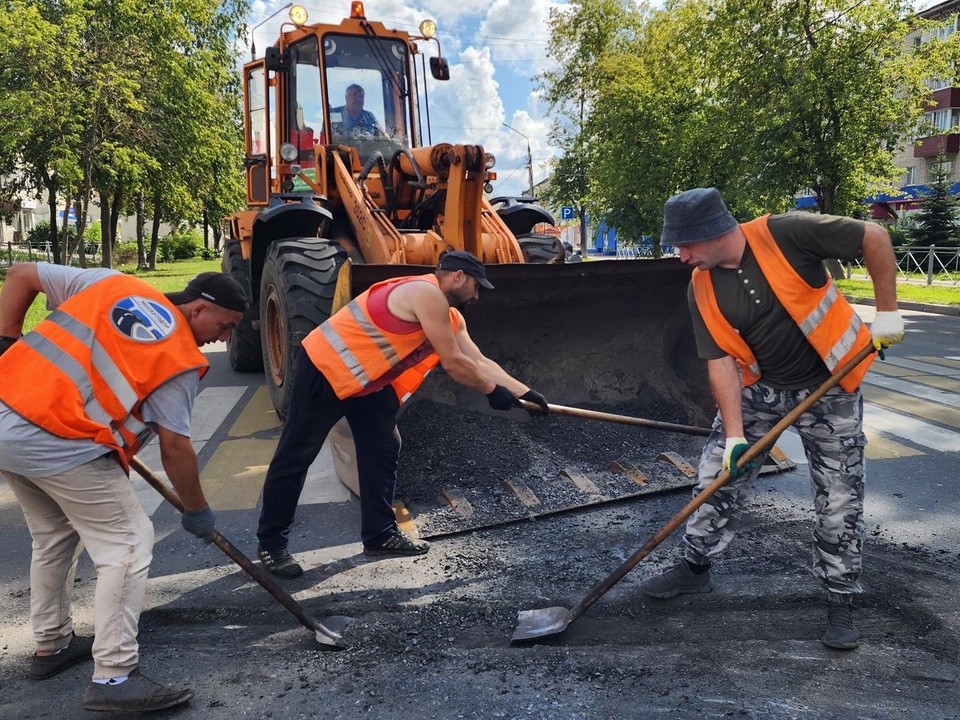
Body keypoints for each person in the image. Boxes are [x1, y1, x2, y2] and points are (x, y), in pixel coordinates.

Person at [640, 187, 904, 650]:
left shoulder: (787, 233)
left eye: (685, 245)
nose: (680, 256)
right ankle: (695, 568)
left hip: (831, 386)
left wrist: (886, 312)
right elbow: (720, 361)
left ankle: (839, 597)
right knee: (715, 476)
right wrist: (736, 437)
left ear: (714, 232)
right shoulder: (700, 286)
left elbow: (874, 236)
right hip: (759, 391)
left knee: (839, 497)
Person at [0, 265, 245, 712]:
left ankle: (51, 644)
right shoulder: (179, 360)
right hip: (58, 439)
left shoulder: (110, 284)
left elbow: (20, 275)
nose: (225, 340)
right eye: (225, 326)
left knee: (55, 535)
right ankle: (114, 676)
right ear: (199, 308)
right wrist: (197, 511)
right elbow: (175, 448)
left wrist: (6, 341)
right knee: (128, 543)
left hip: (6, 415)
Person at [256, 250, 549, 578]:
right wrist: (492, 392)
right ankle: (271, 544)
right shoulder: (425, 294)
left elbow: (479, 361)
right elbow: (453, 363)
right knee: (296, 455)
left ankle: (380, 535)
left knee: (383, 446)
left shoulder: (451, 316)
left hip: (369, 382)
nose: (478, 294)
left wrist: (524, 393)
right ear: (458, 277)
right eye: (476, 286)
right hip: (328, 371)